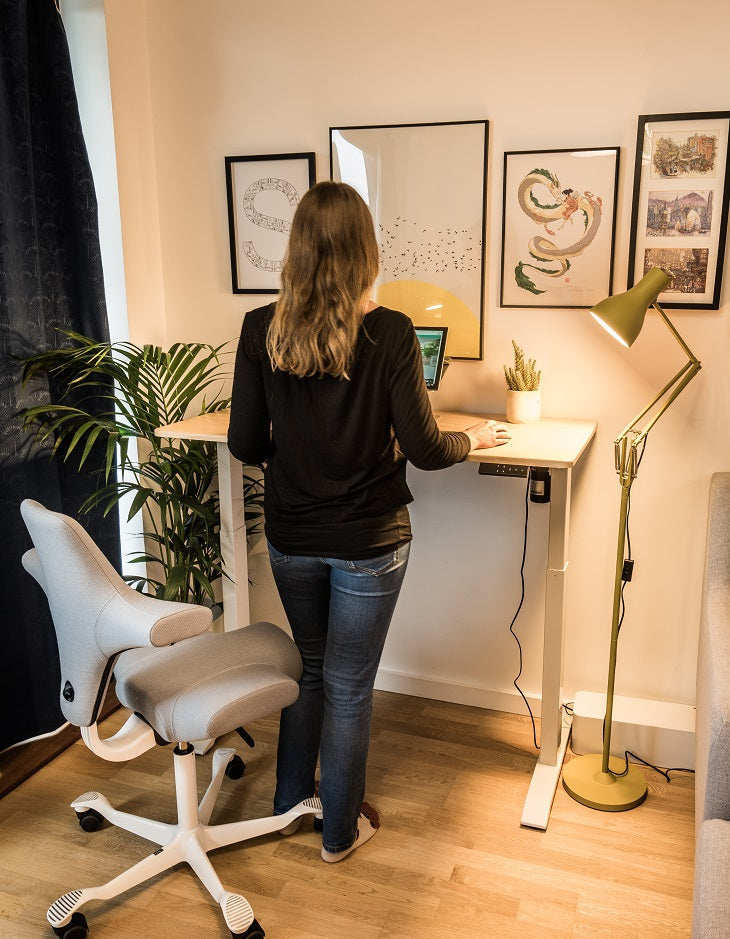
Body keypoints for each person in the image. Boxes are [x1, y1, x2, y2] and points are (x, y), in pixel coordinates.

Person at [227, 180, 510, 863]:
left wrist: (291, 447)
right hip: (368, 544)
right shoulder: (390, 333)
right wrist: (478, 438)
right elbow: (425, 448)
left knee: (311, 667)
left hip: (293, 537)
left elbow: (243, 443)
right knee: (350, 683)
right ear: (366, 251)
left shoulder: (260, 328)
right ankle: (338, 832)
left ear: (295, 249)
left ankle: (290, 801)